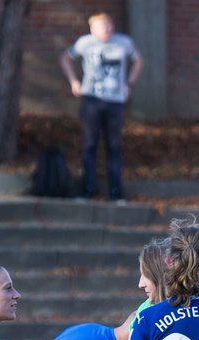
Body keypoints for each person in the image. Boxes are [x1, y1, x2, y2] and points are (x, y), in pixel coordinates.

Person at [58, 12, 142, 201]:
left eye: (109, 25)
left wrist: (129, 84)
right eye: (102, 26)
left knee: (114, 145)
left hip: (115, 101)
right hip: (92, 100)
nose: (107, 29)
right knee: (89, 144)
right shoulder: (84, 43)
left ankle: (116, 193)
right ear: (92, 29)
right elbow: (65, 58)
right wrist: (73, 81)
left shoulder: (124, 43)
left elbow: (138, 60)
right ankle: (88, 189)